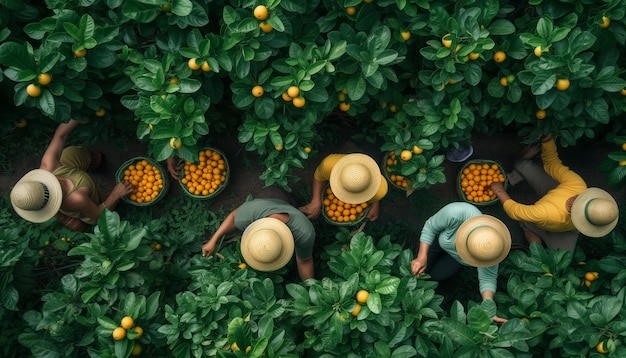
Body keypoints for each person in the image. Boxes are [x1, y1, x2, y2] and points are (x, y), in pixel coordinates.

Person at [490, 133, 619, 252]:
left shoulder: (546, 213)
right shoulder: (577, 184)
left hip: (564, 228)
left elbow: (515, 211)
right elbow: (553, 163)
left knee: (561, 258)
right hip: (552, 192)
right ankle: (517, 174)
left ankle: (533, 239)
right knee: (523, 165)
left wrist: (499, 190)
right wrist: (547, 141)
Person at [10, 119, 134, 231]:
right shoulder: (75, 199)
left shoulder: (49, 166)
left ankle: (91, 161)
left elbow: (60, 136)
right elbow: (97, 215)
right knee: (104, 199)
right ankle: (101, 198)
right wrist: (116, 194)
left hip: (69, 171)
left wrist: (77, 115)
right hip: (87, 201)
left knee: (71, 153)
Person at [410, 202, 511, 323]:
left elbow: (488, 278)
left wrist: (488, 307)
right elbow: (430, 227)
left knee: (436, 276)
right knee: (421, 269)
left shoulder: (492, 249)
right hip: (438, 239)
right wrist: (422, 256)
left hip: (455, 259)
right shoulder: (456, 213)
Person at [202, 196, 316, 281]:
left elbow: (304, 261)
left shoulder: (304, 233)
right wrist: (213, 240)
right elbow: (233, 217)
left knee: (284, 197)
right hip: (266, 199)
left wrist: (310, 290)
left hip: (280, 197)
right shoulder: (251, 214)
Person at [299, 153, 388, 222]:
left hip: (368, 152)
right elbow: (319, 177)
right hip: (341, 156)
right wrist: (316, 200)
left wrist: (375, 204)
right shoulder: (329, 165)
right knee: (348, 146)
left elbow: (376, 192)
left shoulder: (380, 189)